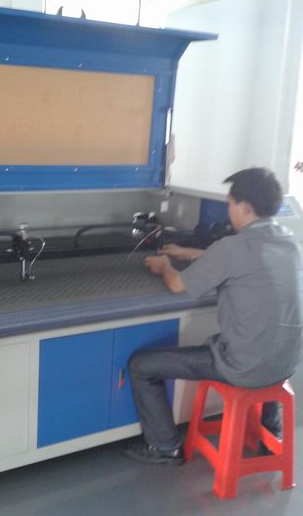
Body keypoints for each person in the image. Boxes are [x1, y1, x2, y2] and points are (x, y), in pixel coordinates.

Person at [125, 167, 303, 465]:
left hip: (241, 366)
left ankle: (165, 446)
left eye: (230, 203)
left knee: (141, 365)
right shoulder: (291, 242)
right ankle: (271, 436)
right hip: (287, 364)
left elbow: (177, 284)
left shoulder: (231, 248)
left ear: (244, 207)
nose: (229, 209)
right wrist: (189, 253)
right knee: (269, 350)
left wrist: (165, 266)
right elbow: (242, 258)